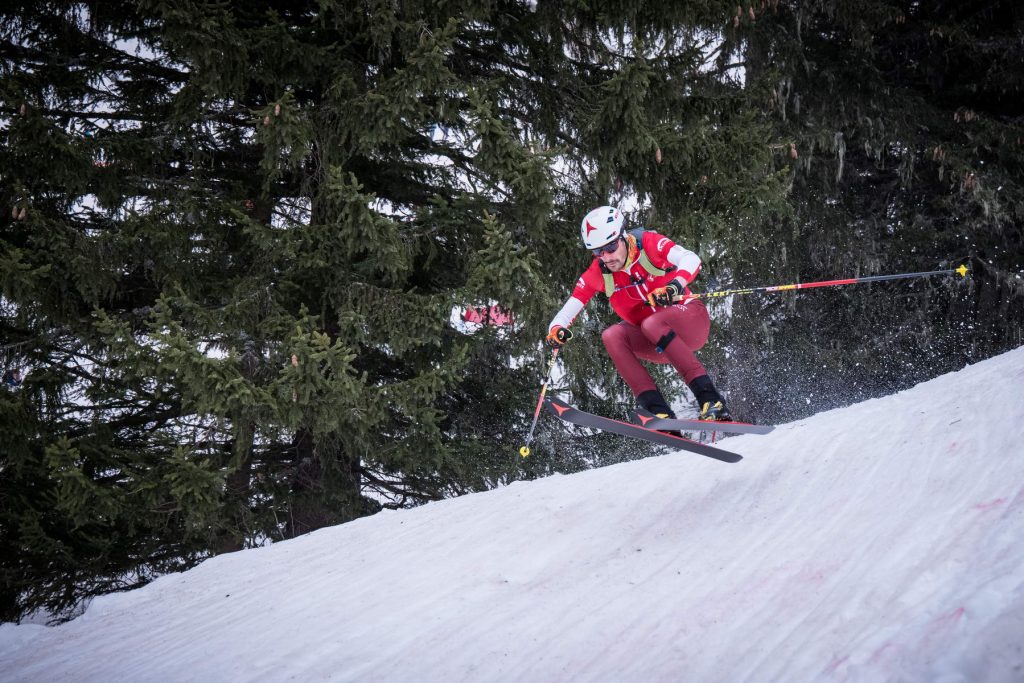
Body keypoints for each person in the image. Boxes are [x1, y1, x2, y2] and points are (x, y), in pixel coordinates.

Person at [545, 205, 732, 422]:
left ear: (622, 237)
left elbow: (691, 259)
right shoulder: (598, 272)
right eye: (598, 252)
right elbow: (568, 311)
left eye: (611, 247)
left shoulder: (648, 244)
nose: (606, 257)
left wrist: (674, 286)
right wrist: (556, 329)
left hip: (690, 322)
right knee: (612, 335)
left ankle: (711, 400)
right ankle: (658, 413)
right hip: (656, 343)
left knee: (652, 323)